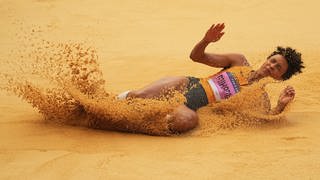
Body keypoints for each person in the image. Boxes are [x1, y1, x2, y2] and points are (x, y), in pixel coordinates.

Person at [117, 23, 305, 133]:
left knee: (188, 122)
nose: (271, 66)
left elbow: (264, 121)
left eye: (278, 68)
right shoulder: (238, 61)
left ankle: (124, 123)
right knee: (139, 96)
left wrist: (280, 105)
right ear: (267, 59)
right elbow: (197, 57)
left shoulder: (260, 97)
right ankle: (105, 103)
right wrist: (206, 40)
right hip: (185, 85)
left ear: (280, 78)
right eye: (272, 61)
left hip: (189, 108)